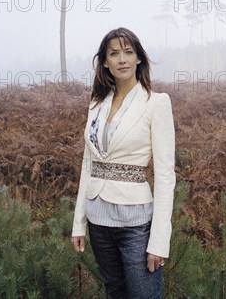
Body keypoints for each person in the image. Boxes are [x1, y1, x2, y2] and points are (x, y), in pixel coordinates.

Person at [71, 27, 176, 299]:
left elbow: (165, 176)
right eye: (114, 53)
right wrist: (78, 223)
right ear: (105, 61)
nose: (122, 59)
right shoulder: (96, 103)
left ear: (139, 58)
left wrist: (159, 242)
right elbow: (88, 164)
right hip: (98, 220)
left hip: (135, 223)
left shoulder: (156, 103)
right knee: (115, 292)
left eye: (128, 52)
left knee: (144, 295)